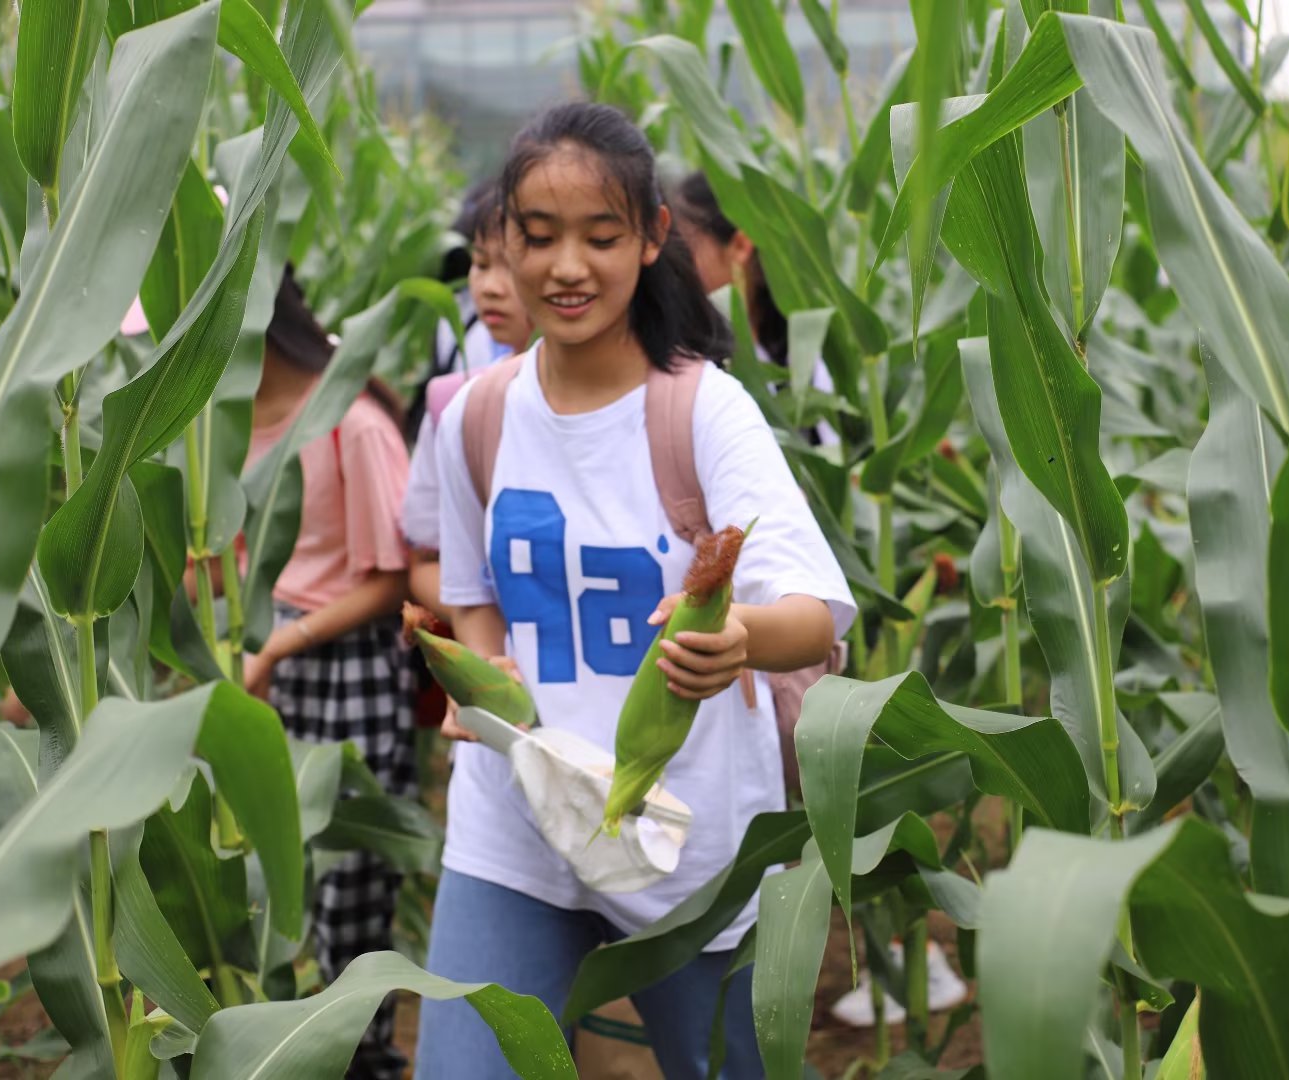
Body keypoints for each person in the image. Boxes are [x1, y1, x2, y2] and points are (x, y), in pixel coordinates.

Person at [413, 103, 854, 1079]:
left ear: (655, 238)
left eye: (601, 237)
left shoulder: (701, 410)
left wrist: (737, 636)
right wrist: (482, 672)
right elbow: (473, 590)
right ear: (504, 244)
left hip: (686, 843)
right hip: (518, 820)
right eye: (538, 237)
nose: (568, 267)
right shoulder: (476, 416)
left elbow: (817, 611)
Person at [242, 266, 414, 1080]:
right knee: (271, 885)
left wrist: (279, 644)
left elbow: (392, 579)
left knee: (346, 888)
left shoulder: (352, 420)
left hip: (339, 669)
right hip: (258, 671)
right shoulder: (217, 426)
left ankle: (360, 1056)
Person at [403, 181, 534, 616]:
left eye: (510, 267)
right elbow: (426, 558)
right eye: (480, 264)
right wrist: (494, 647)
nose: (490, 287)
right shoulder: (457, 403)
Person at [670, 170, 838, 445]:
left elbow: (832, 456)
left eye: (685, 247)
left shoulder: (799, 355)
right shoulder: (678, 353)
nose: (674, 263)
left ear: (739, 245)